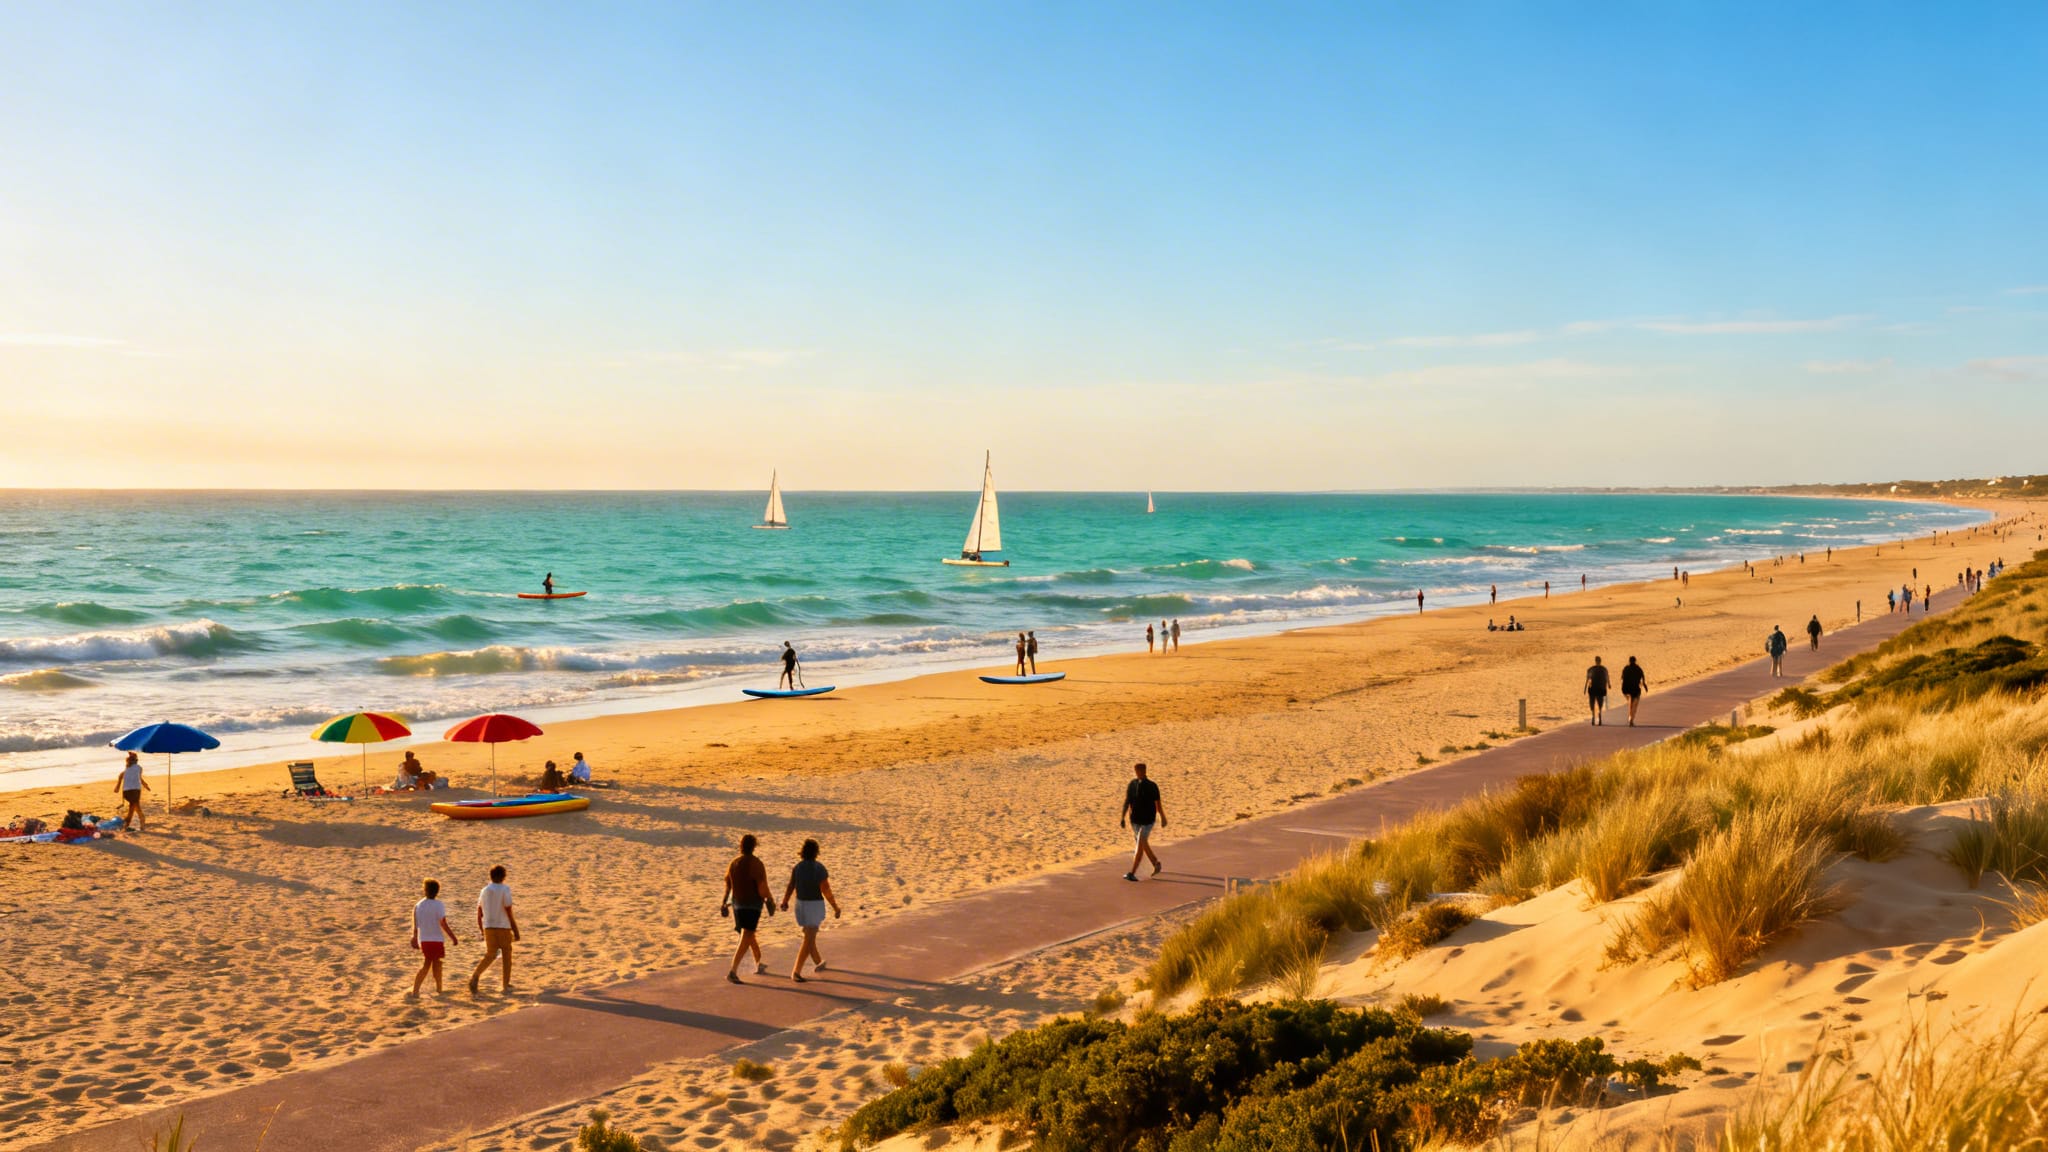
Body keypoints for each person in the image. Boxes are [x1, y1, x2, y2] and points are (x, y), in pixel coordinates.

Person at [779, 838, 841, 983]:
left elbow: (790, 886)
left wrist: (785, 901)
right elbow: (826, 890)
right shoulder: (819, 868)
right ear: (816, 852)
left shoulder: (797, 867)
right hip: (814, 906)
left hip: (800, 905)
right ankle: (796, 972)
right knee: (809, 938)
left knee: (809, 936)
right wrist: (835, 907)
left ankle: (818, 962)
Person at [721, 834, 774, 984]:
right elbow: (762, 887)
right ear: (754, 846)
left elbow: (728, 886)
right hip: (752, 905)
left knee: (748, 934)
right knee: (747, 935)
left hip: (737, 905)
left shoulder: (734, 863)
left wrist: (724, 903)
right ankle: (733, 971)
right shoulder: (756, 863)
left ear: (741, 846)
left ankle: (759, 962)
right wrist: (770, 899)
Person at [468, 865, 518, 996]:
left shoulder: (484, 890)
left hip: (488, 927)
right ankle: (505, 985)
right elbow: (508, 910)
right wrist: (515, 929)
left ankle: (476, 975)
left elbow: (479, 912)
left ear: (491, 876)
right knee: (507, 955)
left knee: (490, 954)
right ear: (503, 877)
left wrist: (481, 928)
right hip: (503, 927)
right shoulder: (505, 889)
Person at [410, 878, 460, 997]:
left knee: (427, 964)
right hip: (437, 940)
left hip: (424, 940)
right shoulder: (439, 905)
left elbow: (415, 925)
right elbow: (443, 923)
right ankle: (438, 989)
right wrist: (453, 937)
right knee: (436, 965)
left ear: (425, 890)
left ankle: (416, 990)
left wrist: (414, 938)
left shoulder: (418, 905)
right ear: (437, 891)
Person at [1119, 763, 1166, 881]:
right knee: (1143, 844)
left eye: (1140, 770)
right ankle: (1155, 863)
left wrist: (1162, 817)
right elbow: (1127, 801)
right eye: (1137, 771)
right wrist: (1123, 817)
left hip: (1148, 821)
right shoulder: (1132, 784)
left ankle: (1133, 873)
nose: (1138, 773)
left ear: (1145, 771)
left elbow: (1158, 804)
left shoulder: (1152, 786)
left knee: (1140, 844)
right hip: (1135, 820)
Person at [115, 751, 148, 832]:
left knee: (133, 806)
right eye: (137, 760)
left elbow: (120, 776)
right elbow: (139, 777)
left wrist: (117, 787)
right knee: (134, 806)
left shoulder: (126, 769)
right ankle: (139, 820)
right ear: (136, 760)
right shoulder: (139, 767)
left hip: (126, 792)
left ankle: (128, 823)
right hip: (135, 790)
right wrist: (144, 784)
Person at [1619, 657, 1648, 727]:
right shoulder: (1638, 668)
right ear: (1635, 661)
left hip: (1626, 689)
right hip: (1635, 689)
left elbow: (1622, 678)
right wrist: (1644, 685)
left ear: (1629, 661)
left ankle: (1630, 717)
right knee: (1635, 704)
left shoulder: (1626, 668)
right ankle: (1631, 719)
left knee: (1630, 701)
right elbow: (1643, 678)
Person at [1584, 656, 1610, 726]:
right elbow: (1607, 678)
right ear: (1600, 661)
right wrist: (1609, 685)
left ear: (1595, 661)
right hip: (1601, 689)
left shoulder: (1590, 669)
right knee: (1600, 703)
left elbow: (1588, 680)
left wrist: (1585, 688)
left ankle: (1593, 716)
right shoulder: (1604, 669)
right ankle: (1599, 715)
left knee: (1592, 703)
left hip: (1592, 689)